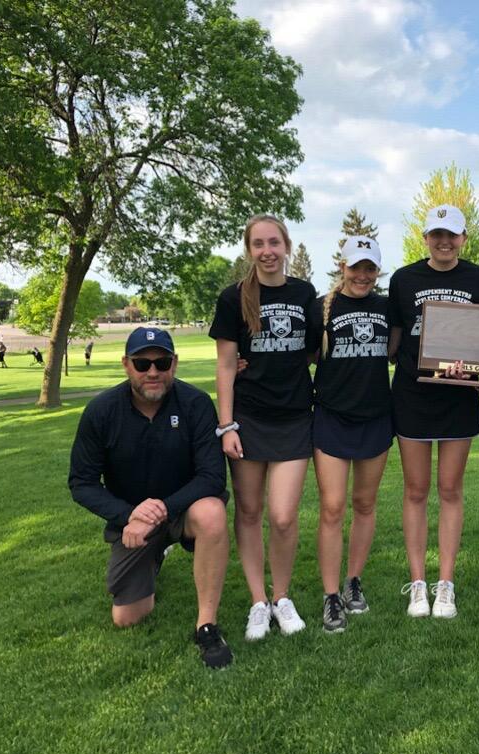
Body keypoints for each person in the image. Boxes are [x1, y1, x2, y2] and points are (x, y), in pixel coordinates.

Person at [68, 327, 232, 668]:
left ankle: (206, 625)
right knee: (127, 617)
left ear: (174, 363)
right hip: (133, 521)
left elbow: (212, 476)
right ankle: (153, 558)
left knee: (213, 512)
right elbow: (81, 482)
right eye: (143, 363)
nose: (153, 372)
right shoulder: (101, 411)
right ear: (126, 365)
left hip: (183, 511)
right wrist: (130, 515)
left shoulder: (196, 403)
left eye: (162, 362)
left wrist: (161, 511)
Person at [210, 213, 316, 641]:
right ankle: (258, 601)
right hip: (248, 420)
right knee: (249, 512)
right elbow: (223, 364)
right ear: (249, 250)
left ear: (287, 245)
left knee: (284, 516)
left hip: (293, 418)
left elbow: (311, 352)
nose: (267, 251)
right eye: (258, 244)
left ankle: (282, 596)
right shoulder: (232, 298)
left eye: (274, 242)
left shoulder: (305, 293)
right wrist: (227, 425)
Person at [388, 204, 479, 618]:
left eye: (451, 234)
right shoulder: (403, 279)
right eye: (436, 234)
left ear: (464, 238)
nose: (444, 241)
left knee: (450, 490)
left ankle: (445, 584)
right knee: (416, 491)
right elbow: (394, 337)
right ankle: (418, 584)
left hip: (458, 399)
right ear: (425, 238)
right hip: (413, 396)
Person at [309, 236, 392, 633]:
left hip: (376, 416)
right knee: (332, 507)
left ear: (377, 271)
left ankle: (353, 581)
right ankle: (330, 596)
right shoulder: (321, 308)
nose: (362, 275)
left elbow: (399, 351)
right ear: (342, 267)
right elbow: (296, 355)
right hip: (332, 417)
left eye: (369, 268)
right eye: (355, 267)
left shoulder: (385, 306)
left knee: (365, 503)